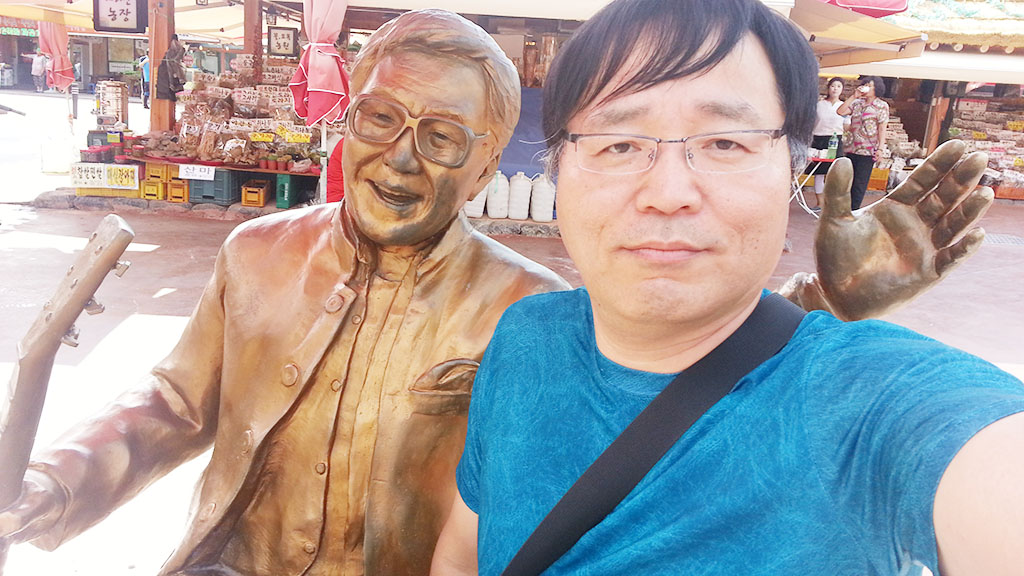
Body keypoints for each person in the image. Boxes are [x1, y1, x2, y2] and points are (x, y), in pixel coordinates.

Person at [0, 7, 1002, 576]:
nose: (399, 159)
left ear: (488, 165)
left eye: (442, 139)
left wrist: (819, 305)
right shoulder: (257, 251)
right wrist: (58, 481)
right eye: (380, 120)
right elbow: (176, 402)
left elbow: (681, 360)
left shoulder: (526, 312)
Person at [432, 1, 1024, 575]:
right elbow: (463, 556)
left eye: (725, 142)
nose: (668, 194)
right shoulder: (527, 338)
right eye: (619, 144)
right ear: (557, 169)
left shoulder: (875, 401)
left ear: (792, 169)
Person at [837, 75, 889, 210]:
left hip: (867, 150)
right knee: (847, 181)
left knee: (859, 184)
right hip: (851, 147)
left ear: (876, 88)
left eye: (869, 86)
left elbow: (882, 128)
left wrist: (880, 149)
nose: (866, 88)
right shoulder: (857, 103)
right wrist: (854, 96)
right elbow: (840, 111)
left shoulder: (881, 106)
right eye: (865, 85)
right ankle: (843, 209)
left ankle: (853, 211)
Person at [807, 76, 846, 209]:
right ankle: (820, 202)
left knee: (835, 173)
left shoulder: (844, 106)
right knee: (819, 172)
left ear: (842, 89)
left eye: (839, 86)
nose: (835, 89)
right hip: (819, 139)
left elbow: (847, 125)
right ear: (828, 88)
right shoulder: (819, 105)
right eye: (833, 86)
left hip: (835, 140)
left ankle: (833, 202)